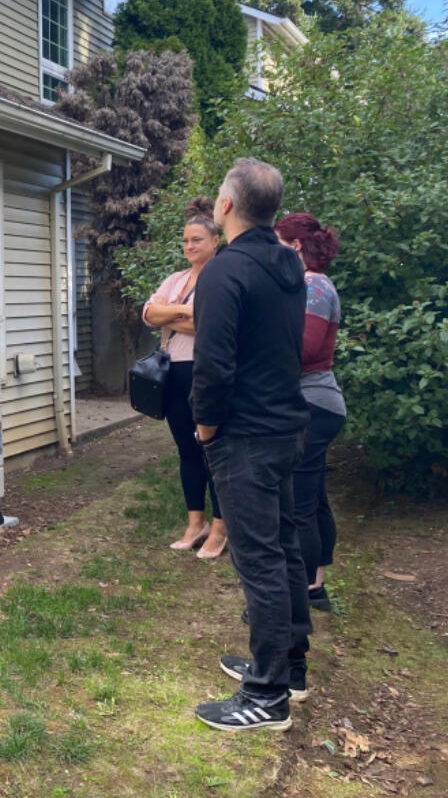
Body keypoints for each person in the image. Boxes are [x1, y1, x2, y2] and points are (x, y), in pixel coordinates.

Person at [190, 158, 311, 732]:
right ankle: (289, 667)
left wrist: (207, 428)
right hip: (288, 427)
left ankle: (266, 696)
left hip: (247, 436)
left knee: (259, 561)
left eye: (217, 194)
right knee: (284, 550)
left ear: (227, 207)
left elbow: (213, 366)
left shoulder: (223, 270)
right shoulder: (290, 262)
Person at [142, 198, 228, 558]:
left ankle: (221, 528)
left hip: (205, 370)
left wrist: (173, 317)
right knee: (186, 449)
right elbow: (148, 313)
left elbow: (209, 324)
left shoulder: (220, 278)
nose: (190, 246)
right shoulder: (176, 279)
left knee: (214, 450)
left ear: (215, 242)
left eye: (197, 240)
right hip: (173, 372)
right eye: (186, 241)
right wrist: (181, 310)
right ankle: (196, 523)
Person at [275, 213, 346, 612]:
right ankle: (315, 589)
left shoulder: (314, 285)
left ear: (296, 245)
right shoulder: (308, 285)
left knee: (299, 505)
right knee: (314, 498)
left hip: (312, 405)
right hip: (318, 404)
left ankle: (296, 597)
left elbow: (301, 351)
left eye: (279, 243)